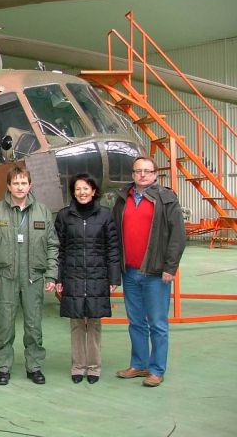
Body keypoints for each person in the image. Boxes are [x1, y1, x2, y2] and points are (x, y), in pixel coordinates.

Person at [0, 165, 58, 386]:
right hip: (5, 276)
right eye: (16, 183)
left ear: (30, 185)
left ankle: (34, 366)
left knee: (33, 325)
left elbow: (52, 245)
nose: (20, 187)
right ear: (8, 186)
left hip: (34, 277)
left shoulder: (42, 212)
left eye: (24, 183)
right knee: (4, 325)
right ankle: (3, 367)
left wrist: (51, 275)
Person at [113, 156, 186, 387]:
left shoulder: (166, 199)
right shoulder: (123, 199)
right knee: (135, 322)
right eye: (138, 171)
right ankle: (139, 365)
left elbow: (178, 236)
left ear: (155, 174)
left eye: (147, 171)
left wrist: (170, 267)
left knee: (157, 323)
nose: (142, 175)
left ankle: (156, 370)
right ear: (133, 174)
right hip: (130, 272)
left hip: (156, 273)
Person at [54, 173, 121, 384]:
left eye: (86, 188)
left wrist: (113, 277)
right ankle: (77, 366)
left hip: (97, 276)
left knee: (93, 322)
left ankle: (93, 367)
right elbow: (58, 250)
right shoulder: (64, 216)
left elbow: (112, 248)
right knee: (76, 322)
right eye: (78, 189)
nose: (82, 192)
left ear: (93, 191)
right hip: (72, 276)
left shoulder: (105, 215)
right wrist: (58, 277)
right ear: (73, 192)